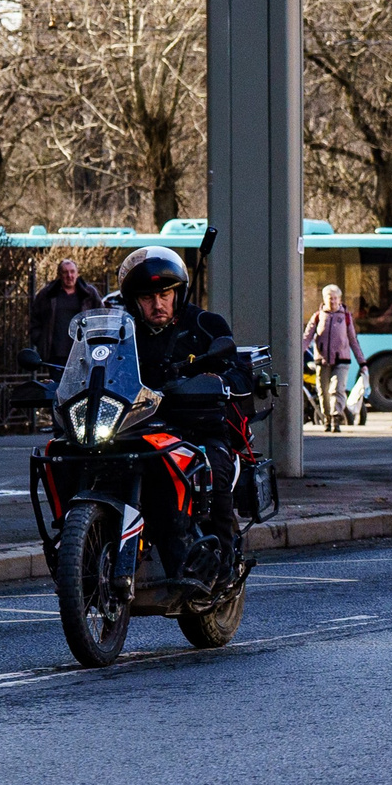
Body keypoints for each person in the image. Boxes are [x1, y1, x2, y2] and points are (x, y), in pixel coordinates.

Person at [111, 246, 248, 595]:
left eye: (165, 294)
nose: (157, 304)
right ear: (133, 300)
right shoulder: (121, 333)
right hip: (136, 428)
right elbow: (94, 367)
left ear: (178, 293)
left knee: (212, 467)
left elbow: (237, 373)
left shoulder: (204, 324)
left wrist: (215, 383)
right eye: (147, 297)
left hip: (197, 428)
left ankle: (226, 562)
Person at [304, 284, 359, 433]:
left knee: (337, 389)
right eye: (330, 298)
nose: (333, 301)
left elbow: (353, 340)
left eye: (335, 298)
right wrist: (298, 354)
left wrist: (362, 362)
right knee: (323, 391)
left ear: (340, 299)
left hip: (342, 359)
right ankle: (327, 419)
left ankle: (336, 419)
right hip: (322, 360)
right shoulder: (318, 316)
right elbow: (306, 338)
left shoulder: (345, 317)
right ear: (324, 299)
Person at [29, 258, 103, 366]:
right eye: (65, 272)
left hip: (83, 352)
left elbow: (101, 317)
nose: (69, 275)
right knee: (57, 383)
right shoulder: (47, 295)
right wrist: (41, 341)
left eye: (72, 271)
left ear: (77, 273)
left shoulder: (89, 294)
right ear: (59, 274)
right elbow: (34, 320)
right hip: (56, 354)